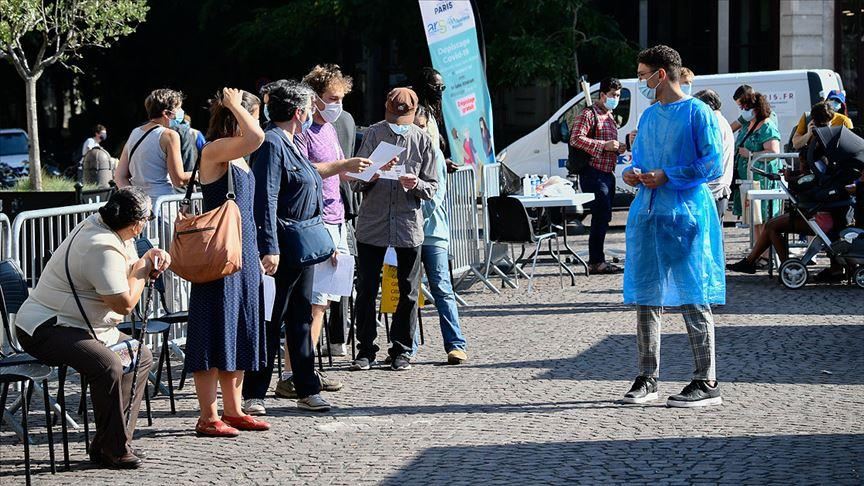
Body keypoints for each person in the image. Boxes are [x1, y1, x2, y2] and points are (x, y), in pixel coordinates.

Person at [14, 187, 164, 468]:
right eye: (147, 219)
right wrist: (144, 271)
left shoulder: (110, 228)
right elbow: (124, 304)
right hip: (47, 326)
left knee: (139, 355)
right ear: (137, 223)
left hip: (85, 325)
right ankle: (114, 448)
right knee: (107, 364)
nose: (145, 226)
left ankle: (112, 444)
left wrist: (151, 257)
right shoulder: (100, 245)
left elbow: (130, 267)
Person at [620, 45, 724, 408]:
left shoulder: (698, 113)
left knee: (694, 296)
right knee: (647, 298)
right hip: (649, 215)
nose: (640, 81)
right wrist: (632, 174)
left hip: (686, 216)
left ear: (661, 74)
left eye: (642, 75)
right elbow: (639, 160)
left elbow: (712, 163)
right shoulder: (650, 116)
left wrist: (669, 175)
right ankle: (647, 377)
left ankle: (706, 380)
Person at [277, 65, 372, 398]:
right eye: (333, 98)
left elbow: (341, 171)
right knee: (311, 303)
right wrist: (344, 166)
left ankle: (305, 370)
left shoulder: (329, 129)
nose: (338, 105)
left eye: (341, 98)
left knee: (323, 303)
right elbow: (304, 171)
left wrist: (372, 170)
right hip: (315, 222)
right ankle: (293, 373)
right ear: (314, 99)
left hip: (336, 218)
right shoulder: (301, 131)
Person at [243, 80, 334, 415]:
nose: (311, 113)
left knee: (300, 318)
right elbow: (264, 197)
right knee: (271, 319)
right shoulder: (271, 143)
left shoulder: (293, 142)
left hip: (302, 246)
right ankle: (255, 392)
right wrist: (269, 246)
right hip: (282, 247)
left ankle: (307, 388)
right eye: (309, 108)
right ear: (298, 112)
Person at [184, 88, 270, 436]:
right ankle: (208, 415)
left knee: (240, 328)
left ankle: (233, 409)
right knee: (211, 330)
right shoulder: (215, 149)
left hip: (243, 252)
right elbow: (257, 136)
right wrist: (235, 104)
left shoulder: (239, 155)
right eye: (254, 114)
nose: (258, 121)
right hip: (219, 255)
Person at [350, 87, 438, 372]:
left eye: (403, 119)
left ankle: (402, 349)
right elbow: (355, 181)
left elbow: (432, 187)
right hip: (373, 223)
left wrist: (417, 184)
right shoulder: (373, 134)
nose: (398, 125)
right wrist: (374, 173)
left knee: (409, 290)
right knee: (366, 289)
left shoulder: (423, 140)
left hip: (407, 224)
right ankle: (365, 350)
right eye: (394, 118)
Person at [727, 103, 845, 274]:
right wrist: (795, 175)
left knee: (772, 226)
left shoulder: (817, 147)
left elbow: (810, 181)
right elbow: (812, 177)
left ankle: (785, 266)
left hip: (819, 215)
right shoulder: (830, 144)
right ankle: (756, 262)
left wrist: (792, 179)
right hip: (822, 212)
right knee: (772, 225)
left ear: (812, 120)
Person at [413, 106, 468, 364]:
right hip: (407, 235)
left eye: (422, 126)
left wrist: (412, 218)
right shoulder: (402, 152)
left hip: (432, 232)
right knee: (407, 291)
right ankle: (408, 346)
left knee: (442, 289)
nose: (419, 131)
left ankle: (455, 344)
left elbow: (434, 197)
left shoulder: (435, 154)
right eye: (413, 126)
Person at [570, 77, 626, 274]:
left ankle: (597, 259)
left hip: (607, 173)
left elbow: (609, 145)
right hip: (593, 172)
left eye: (618, 95)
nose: (615, 99)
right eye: (613, 95)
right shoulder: (589, 113)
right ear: (602, 95)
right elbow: (576, 139)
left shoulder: (610, 116)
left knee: (604, 217)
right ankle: (596, 261)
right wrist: (604, 145)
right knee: (600, 217)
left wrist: (618, 148)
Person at [114, 89, 192, 205]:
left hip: (139, 209)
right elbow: (178, 180)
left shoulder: (135, 133)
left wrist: (136, 200)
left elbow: (119, 177)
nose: (181, 112)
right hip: (163, 205)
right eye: (178, 108)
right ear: (166, 113)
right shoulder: (170, 135)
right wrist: (198, 174)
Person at [731, 90, 782, 245]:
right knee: (754, 218)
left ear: (756, 108)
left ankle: (764, 253)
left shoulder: (767, 126)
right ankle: (757, 251)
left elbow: (774, 152)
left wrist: (751, 154)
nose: (743, 111)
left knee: (764, 219)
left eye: (745, 108)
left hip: (763, 181)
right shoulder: (748, 124)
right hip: (749, 180)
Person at [694, 89, 736, 221]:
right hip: (718, 188)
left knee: (709, 231)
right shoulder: (721, 121)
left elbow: (706, 156)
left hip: (712, 190)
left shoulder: (712, 124)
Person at [413, 67, 448, 156]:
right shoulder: (418, 113)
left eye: (442, 87)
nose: (439, 91)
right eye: (436, 87)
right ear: (424, 87)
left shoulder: (429, 110)